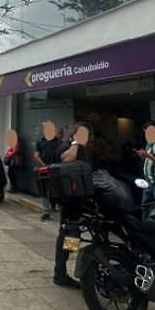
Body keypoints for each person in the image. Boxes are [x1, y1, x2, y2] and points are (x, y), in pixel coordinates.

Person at [51, 122, 90, 288]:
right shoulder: (67, 147)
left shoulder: (81, 149)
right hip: (69, 201)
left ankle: (63, 268)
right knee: (67, 233)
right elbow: (68, 159)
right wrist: (75, 143)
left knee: (73, 234)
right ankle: (60, 273)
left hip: (78, 201)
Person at [34, 121, 62, 221]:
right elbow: (36, 155)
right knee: (43, 190)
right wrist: (42, 164)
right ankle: (46, 212)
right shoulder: (40, 141)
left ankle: (61, 209)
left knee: (57, 189)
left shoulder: (58, 142)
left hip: (54, 168)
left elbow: (62, 155)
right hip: (43, 168)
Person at [4, 129, 21, 193]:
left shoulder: (16, 142)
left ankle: (14, 188)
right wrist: (7, 154)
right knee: (11, 173)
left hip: (14, 160)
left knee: (12, 173)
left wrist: (8, 155)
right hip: (12, 160)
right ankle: (13, 187)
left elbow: (15, 151)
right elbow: (11, 149)